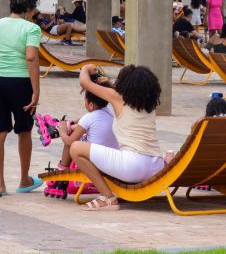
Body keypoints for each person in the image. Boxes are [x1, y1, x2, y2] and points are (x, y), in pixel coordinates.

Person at [69, 64, 165, 211]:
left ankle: (107, 197)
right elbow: (120, 91)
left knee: (76, 148)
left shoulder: (118, 99)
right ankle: (108, 196)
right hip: (156, 166)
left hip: (133, 166)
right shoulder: (149, 105)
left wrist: (86, 68)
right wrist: (106, 83)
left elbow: (85, 83)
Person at [0, 0, 43, 195]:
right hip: (20, 82)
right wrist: (36, 90)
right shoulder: (31, 29)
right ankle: (24, 179)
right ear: (29, 9)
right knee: (24, 130)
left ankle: (0, 183)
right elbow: (30, 58)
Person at [55, 79, 119, 171]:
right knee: (83, 134)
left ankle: (62, 173)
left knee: (72, 139)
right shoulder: (111, 110)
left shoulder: (89, 117)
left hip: (95, 163)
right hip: (112, 159)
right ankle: (66, 127)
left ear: (91, 104)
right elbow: (85, 119)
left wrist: (62, 131)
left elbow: (68, 142)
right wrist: (72, 122)